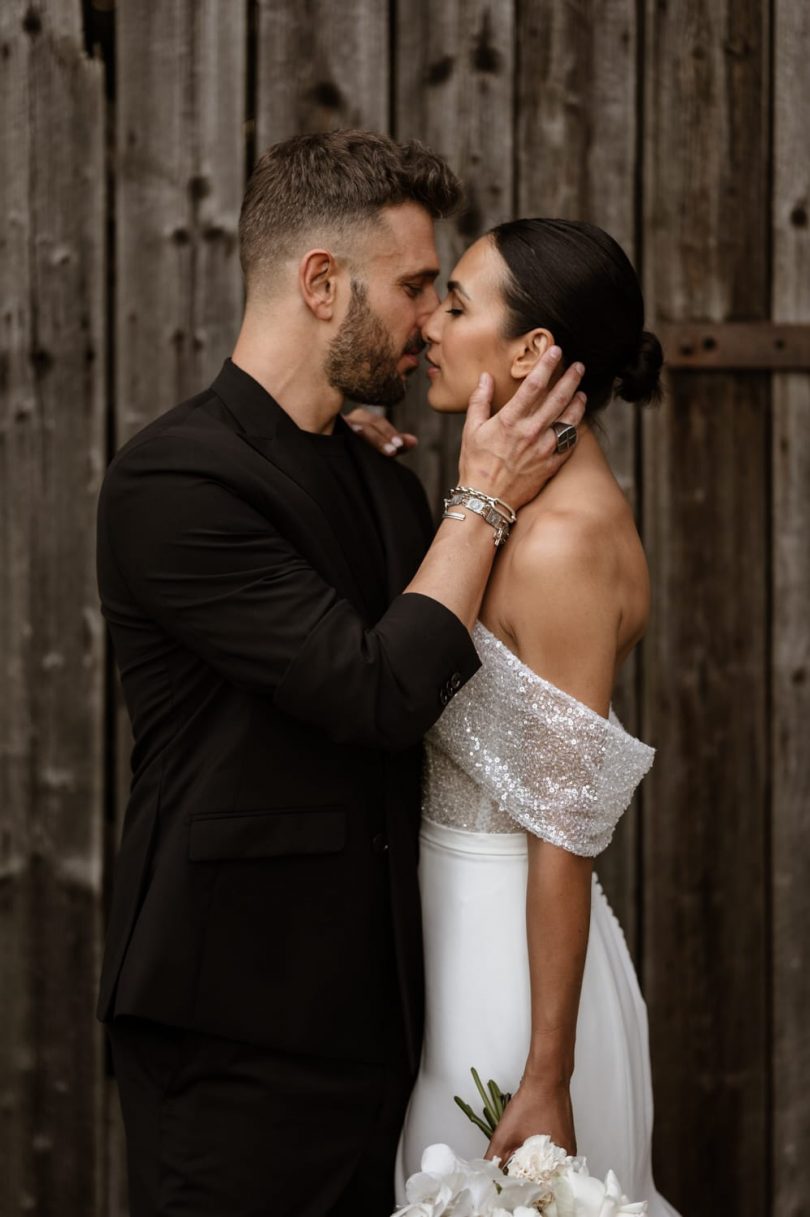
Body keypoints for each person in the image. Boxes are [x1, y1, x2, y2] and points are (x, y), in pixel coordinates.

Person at [96, 131, 585, 1217]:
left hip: (389, 1024)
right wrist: (488, 495)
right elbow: (375, 691)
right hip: (233, 1026)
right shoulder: (173, 481)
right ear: (323, 283)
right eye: (417, 286)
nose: (432, 323)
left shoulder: (383, 478)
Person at [395, 219, 680, 1216]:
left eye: (459, 303)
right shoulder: (514, 504)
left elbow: (564, 831)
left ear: (531, 351)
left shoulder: (564, 542)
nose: (432, 321)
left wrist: (545, 1065)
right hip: (457, 931)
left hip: (509, 977)